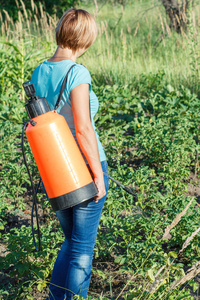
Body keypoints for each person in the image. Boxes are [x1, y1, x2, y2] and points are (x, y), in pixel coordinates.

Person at [31, 8, 109, 300]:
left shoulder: (39, 70)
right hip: (83, 168)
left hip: (55, 170)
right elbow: (83, 129)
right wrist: (98, 177)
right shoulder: (78, 72)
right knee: (82, 252)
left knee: (71, 243)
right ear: (86, 39)